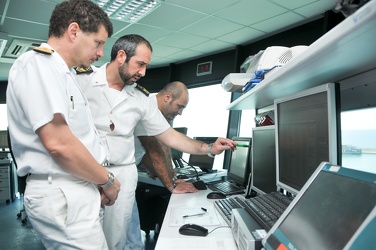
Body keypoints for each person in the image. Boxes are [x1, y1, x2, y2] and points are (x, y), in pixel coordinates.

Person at [75, 34, 237, 250]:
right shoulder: (81, 81)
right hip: (83, 173)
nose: (143, 73)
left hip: (121, 176)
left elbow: (168, 136)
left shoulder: (141, 100)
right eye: (140, 64)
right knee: (82, 242)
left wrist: (208, 148)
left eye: (146, 66)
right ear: (121, 56)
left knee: (115, 244)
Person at [6, 0, 120, 249]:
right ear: (73, 31)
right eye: (98, 43)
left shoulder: (63, 73)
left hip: (75, 185)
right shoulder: (38, 64)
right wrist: (108, 181)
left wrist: (95, 181)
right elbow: (59, 145)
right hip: (61, 188)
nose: (101, 53)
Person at [125, 81, 196, 249]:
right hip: (115, 175)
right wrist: (171, 185)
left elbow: (163, 147)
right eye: (179, 107)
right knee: (126, 237)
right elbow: (154, 151)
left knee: (131, 234)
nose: (180, 113)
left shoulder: (157, 115)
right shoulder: (145, 108)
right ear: (168, 97)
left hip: (128, 173)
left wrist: (172, 177)